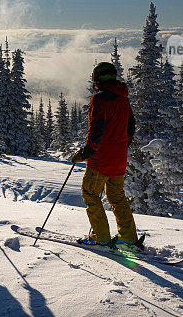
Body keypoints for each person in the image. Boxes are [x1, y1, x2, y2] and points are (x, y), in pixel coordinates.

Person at [71, 62, 138, 247]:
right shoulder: (123, 99)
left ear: (96, 78)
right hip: (119, 158)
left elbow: (96, 129)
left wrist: (85, 154)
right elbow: (131, 126)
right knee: (117, 196)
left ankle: (100, 237)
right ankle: (128, 237)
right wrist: (122, 145)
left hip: (101, 160)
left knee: (90, 194)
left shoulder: (99, 100)